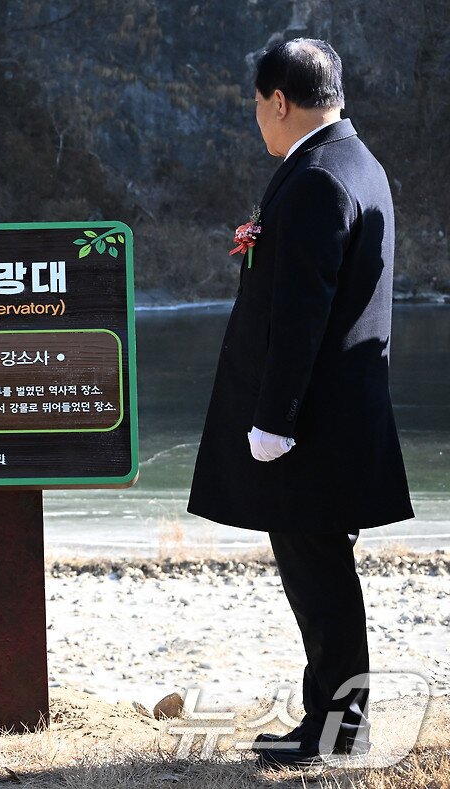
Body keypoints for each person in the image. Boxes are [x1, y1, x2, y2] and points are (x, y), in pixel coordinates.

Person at [187, 39, 413, 768]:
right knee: (323, 575)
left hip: (312, 425)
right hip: (342, 416)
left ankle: (337, 730)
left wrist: (274, 419)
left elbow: (302, 313)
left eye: (259, 105)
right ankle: (332, 719)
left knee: (319, 580)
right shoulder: (359, 163)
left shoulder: (316, 177)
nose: (260, 118)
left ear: (279, 101)